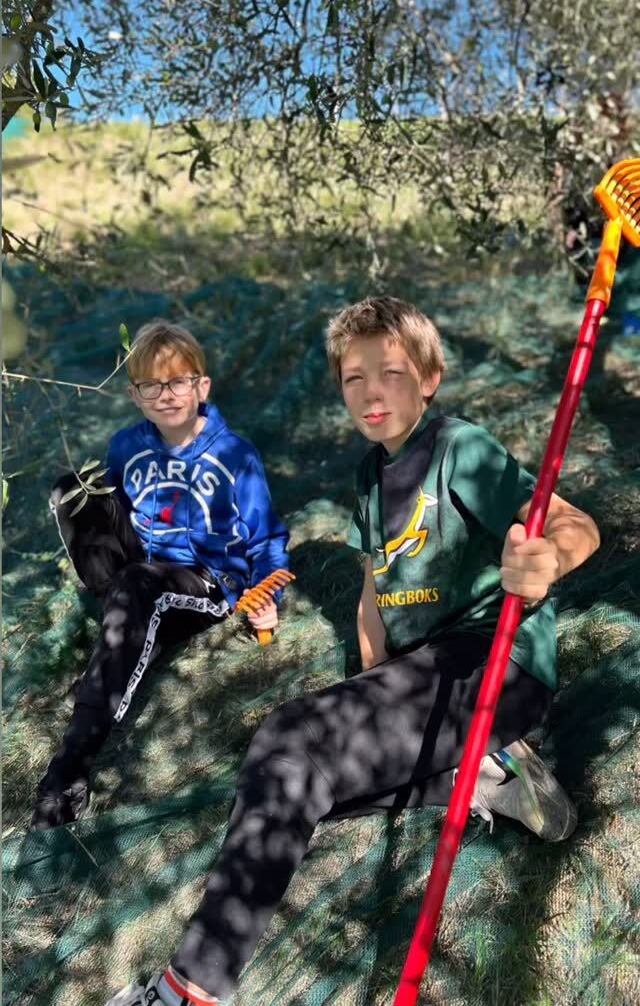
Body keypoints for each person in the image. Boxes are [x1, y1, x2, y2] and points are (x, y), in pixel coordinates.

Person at [105, 296, 600, 1006]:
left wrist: (548, 559)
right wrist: (369, 688)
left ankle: (190, 990)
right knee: (291, 788)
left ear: (430, 377)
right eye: (352, 379)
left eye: (391, 373)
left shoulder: (460, 449)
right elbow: (374, 591)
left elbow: (574, 523)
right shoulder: (369, 478)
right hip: (424, 675)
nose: (370, 393)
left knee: (291, 745)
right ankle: (485, 772)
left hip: (494, 663)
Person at [31, 320, 289, 830]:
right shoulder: (127, 446)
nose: (166, 394)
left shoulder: (235, 453)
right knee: (72, 491)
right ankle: (122, 628)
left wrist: (266, 589)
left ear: (202, 386)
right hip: (144, 566)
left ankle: (72, 764)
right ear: (135, 394)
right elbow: (116, 514)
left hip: (205, 580)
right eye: (152, 384)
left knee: (138, 587)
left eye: (179, 381)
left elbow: (268, 536)